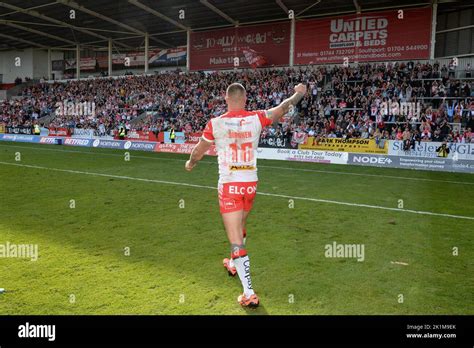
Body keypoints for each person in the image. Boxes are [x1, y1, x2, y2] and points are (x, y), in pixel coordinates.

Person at [184, 82, 307, 308]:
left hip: (230, 186)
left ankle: (249, 293)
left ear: (226, 98)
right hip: (250, 184)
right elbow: (283, 107)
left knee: (236, 241)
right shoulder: (257, 118)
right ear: (245, 98)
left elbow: (200, 149)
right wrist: (298, 94)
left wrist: (191, 162)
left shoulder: (216, 123)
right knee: (240, 226)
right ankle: (233, 263)